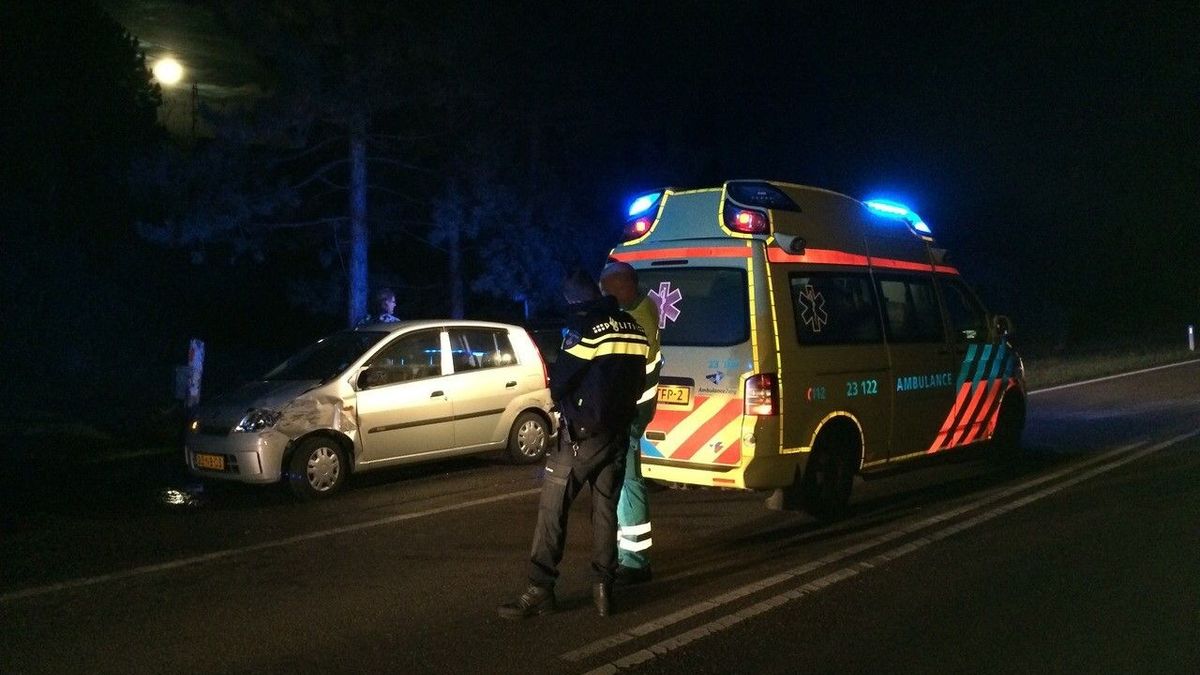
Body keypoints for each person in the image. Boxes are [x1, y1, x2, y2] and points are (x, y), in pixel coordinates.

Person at [498, 269, 649, 619]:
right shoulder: (634, 328)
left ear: (571, 300)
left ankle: (540, 589)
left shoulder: (585, 330)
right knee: (605, 513)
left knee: (552, 513)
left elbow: (561, 382)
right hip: (617, 435)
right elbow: (638, 383)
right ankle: (603, 590)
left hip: (579, 438)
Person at [598, 261, 662, 585]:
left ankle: (636, 562)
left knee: (628, 484)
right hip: (638, 410)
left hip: (632, 415)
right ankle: (631, 555)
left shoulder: (634, 321)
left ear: (622, 287)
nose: (603, 297)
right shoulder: (644, 303)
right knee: (626, 484)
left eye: (607, 291)